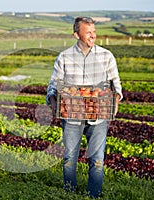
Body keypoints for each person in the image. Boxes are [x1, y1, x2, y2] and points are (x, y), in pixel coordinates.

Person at [46, 16, 123, 198]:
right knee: (69, 159)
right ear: (76, 34)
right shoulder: (64, 57)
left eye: (94, 32)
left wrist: (116, 98)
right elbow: (54, 84)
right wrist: (53, 100)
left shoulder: (106, 56)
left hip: (99, 115)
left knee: (97, 160)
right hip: (71, 115)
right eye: (88, 32)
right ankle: (70, 193)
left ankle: (94, 195)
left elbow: (115, 83)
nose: (93, 36)